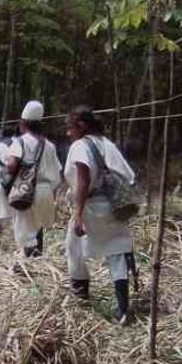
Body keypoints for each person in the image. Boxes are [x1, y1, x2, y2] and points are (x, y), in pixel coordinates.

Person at [63, 106, 137, 324]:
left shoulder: (80, 145)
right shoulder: (108, 144)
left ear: (81, 126)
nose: (68, 133)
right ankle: (123, 309)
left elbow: (83, 179)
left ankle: (80, 296)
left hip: (92, 206)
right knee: (117, 252)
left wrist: (78, 214)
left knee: (74, 247)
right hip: (115, 205)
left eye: (70, 128)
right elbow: (129, 177)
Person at [5, 101, 61, 257]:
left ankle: (27, 264)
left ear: (23, 124)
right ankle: (37, 260)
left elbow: (11, 165)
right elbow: (57, 172)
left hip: (26, 191)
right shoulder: (49, 145)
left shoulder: (20, 141)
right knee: (38, 229)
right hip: (46, 192)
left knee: (25, 234)